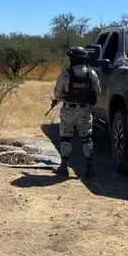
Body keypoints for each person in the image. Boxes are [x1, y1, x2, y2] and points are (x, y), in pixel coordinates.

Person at [51, 46, 101, 177]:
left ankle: (64, 167)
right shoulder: (92, 73)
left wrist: (59, 99)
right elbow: (98, 92)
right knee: (86, 139)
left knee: (66, 138)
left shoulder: (65, 74)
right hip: (85, 111)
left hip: (68, 110)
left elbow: (57, 94)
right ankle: (90, 167)